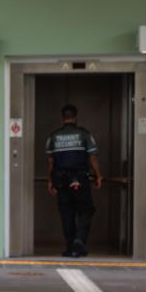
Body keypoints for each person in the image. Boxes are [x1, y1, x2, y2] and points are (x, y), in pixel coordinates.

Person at [46, 104, 102, 258]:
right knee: (85, 210)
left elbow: (50, 161)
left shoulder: (54, 136)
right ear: (75, 116)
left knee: (66, 213)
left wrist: (50, 181)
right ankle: (79, 241)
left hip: (60, 180)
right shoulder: (84, 135)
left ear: (62, 117)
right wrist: (98, 176)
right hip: (80, 178)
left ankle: (70, 247)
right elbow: (93, 157)